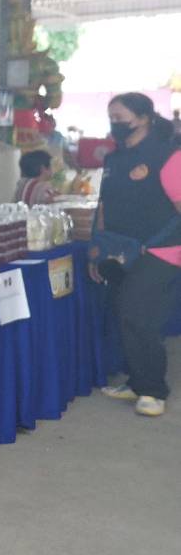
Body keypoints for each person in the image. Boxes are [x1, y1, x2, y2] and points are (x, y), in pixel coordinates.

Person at [94, 93, 181, 417]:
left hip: (161, 250)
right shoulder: (115, 160)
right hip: (120, 251)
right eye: (111, 117)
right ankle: (137, 380)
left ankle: (154, 390)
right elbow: (104, 207)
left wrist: (161, 242)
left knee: (139, 316)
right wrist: (97, 252)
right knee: (124, 313)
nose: (115, 123)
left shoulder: (168, 156)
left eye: (120, 116)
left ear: (144, 118)